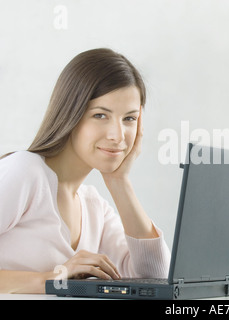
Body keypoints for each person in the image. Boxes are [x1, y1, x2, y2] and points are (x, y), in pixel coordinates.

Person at [0, 48, 171, 294]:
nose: (117, 136)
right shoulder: (25, 173)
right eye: (100, 115)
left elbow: (154, 278)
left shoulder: (93, 208)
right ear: (71, 113)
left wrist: (119, 181)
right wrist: (52, 279)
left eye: (129, 119)